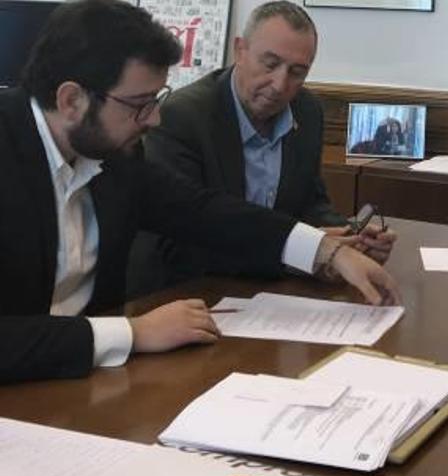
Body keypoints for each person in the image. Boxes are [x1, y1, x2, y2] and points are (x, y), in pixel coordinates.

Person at [0, 0, 399, 384]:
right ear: (72, 100)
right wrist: (132, 333)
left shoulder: (113, 156)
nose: (154, 119)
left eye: (157, 100)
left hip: (86, 384)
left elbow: (202, 212)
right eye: (140, 104)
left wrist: (327, 250)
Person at [138, 1, 396, 290]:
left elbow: (310, 202)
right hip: (191, 294)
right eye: (270, 64)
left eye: (297, 72)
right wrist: (305, 253)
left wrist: (350, 240)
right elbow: (178, 240)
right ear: (240, 50)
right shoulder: (183, 116)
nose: (279, 84)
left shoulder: (307, 111)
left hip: (275, 296)